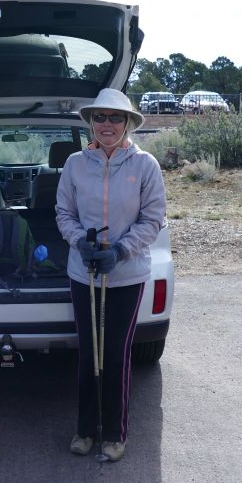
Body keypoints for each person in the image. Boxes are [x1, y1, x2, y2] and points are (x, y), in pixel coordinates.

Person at [55, 88, 167, 462]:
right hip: (83, 273)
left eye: (115, 118)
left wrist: (119, 250)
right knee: (88, 352)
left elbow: (152, 219)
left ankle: (115, 433)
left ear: (127, 123)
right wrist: (78, 243)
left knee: (116, 353)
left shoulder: (145, 165)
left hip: (127, 274)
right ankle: (85, 430)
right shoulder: (74, 164)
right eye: (100, 117)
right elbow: (64, 214)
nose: (107, 124)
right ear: (91, 122)